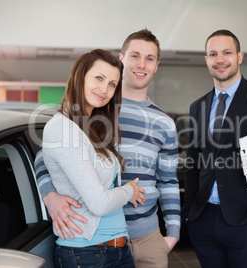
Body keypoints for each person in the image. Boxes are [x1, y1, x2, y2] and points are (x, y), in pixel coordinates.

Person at [35, 29, 180, 268]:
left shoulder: (164, 122)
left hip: (148, 239)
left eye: (150, 58)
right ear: (121, 60)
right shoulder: (95, 108)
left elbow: (168, 180)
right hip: (96, 240)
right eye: (135, 55)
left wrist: (172, 233)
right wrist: (49, 195)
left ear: (157, 65)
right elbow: (45, 155)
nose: (141, 64)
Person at [181, 29, 247, 268]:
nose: (220, 59)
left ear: (239, 56)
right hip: (204, 220)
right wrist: (190, 213)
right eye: (213, 54)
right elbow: (193, 164)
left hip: (245, 222)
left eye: (227, 52)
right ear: (206, 60)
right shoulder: (197, 106)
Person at [41, 49, 147, 268]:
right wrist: (129, 191)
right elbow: (98, 203)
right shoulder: (63, 128)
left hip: (114, 249)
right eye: (99, 78)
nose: (105, 89)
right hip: (88, 253)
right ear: (80, 77)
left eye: (112, 84)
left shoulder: (91, 128)